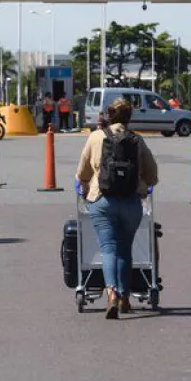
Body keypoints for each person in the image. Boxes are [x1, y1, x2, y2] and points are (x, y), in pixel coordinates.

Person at [75, 97, 159, 319]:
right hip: (131, 202)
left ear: (109, 115)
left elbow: (82, 173)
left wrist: (85, 186)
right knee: (124, 249)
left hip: (102, 200)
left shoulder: (95, 137)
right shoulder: (137, 141)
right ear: (129, 117)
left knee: (108, 248)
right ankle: (124, 297)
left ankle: (111, 293)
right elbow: (152, 175)